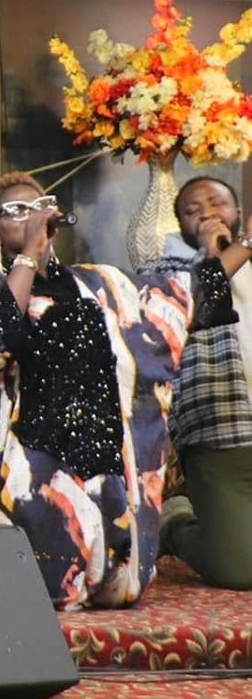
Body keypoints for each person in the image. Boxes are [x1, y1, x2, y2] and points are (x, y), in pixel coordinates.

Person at [0, 172, 239, 610]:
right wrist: (29, 255)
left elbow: (188, 296)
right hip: (36, 459)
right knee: (40, 590)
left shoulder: (106, 285)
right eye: (15, 211)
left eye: (39, 206)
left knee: (119, 587)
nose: (32, 217)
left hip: (105, 445)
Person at [132, 177, 252, 592]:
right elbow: (196, 302)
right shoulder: (163, 272)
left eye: (217, 203)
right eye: (192, 209)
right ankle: (176, 523)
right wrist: (219, 249)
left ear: (238, 211)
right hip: (222, 436)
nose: (206, 213)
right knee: (239, 571)